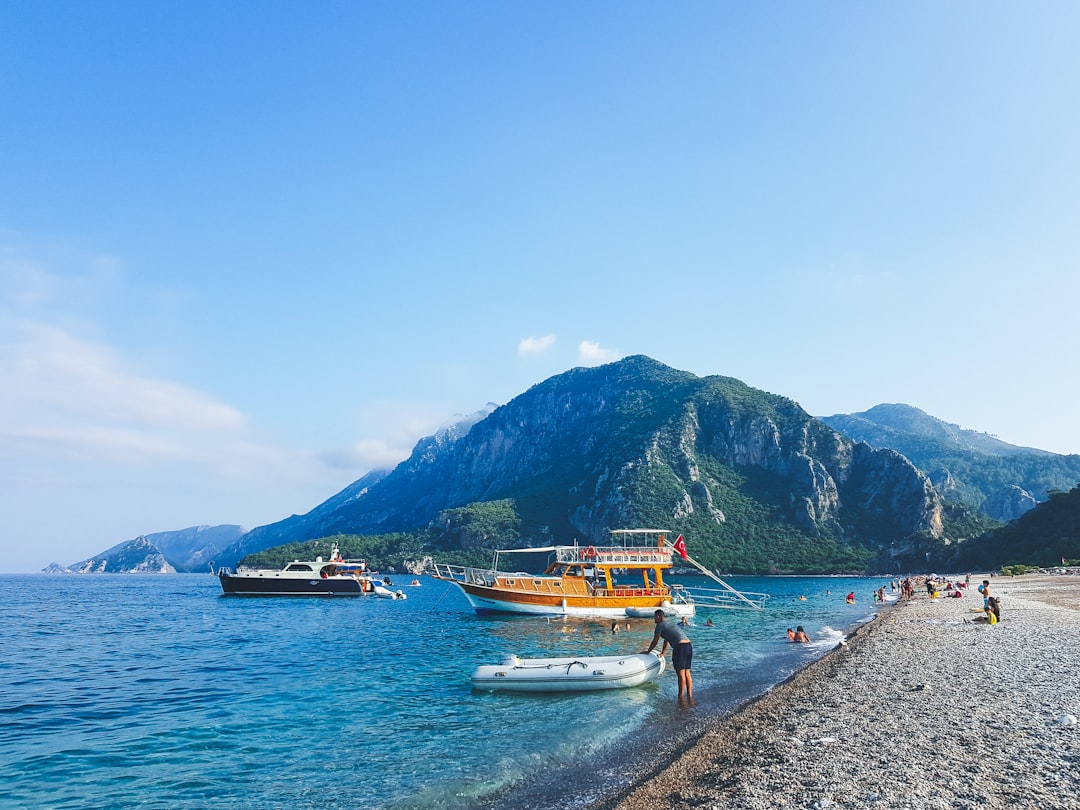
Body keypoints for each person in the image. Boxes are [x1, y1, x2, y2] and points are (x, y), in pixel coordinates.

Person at [643, 609, 693, 701]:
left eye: (654, 617)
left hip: (680, 647)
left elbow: (655, 640)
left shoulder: (660, 625)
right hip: (688, 646)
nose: (654, 619)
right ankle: (690, 695)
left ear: (659, 616)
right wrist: (663, 653)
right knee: (687, 672)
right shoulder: (670, 624)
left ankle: (681, 697)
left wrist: (648, 651)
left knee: (681, 673)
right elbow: (667, 640)